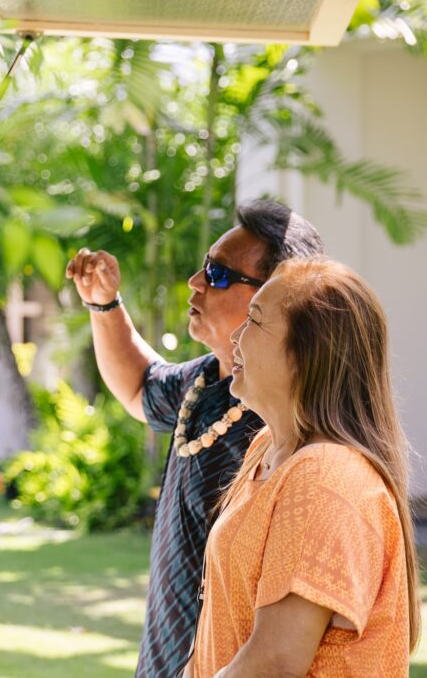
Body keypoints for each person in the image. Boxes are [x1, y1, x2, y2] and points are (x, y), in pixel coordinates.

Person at [65, 199, 324, 678]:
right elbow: (141, 385)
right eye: (205, 266)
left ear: (275, 298)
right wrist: (103, 304)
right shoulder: (204, 382)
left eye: (219, 273)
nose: (196, 281)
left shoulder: (290, 424)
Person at [184, 257, 419, 677]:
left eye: (255, 320)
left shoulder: (326, 475)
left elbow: (274, 662)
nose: (236, 335)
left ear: (306, 353)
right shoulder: (267, 449)